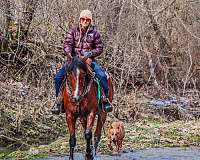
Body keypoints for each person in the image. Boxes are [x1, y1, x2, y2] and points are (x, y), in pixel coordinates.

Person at [52, 9, 112, 114]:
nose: (85, 21)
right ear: (80, 20)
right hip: (73, 60)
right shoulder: (73, 31)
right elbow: (67, 45)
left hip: (88, 61)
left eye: (87, 19)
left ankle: (105, 100)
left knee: (102, 76)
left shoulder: (95, 33)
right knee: (58, 77)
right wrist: (70, 56)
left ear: (90, 21)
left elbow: (99, 48)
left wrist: (90, 54)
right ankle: (59, 102)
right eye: (83, 19)